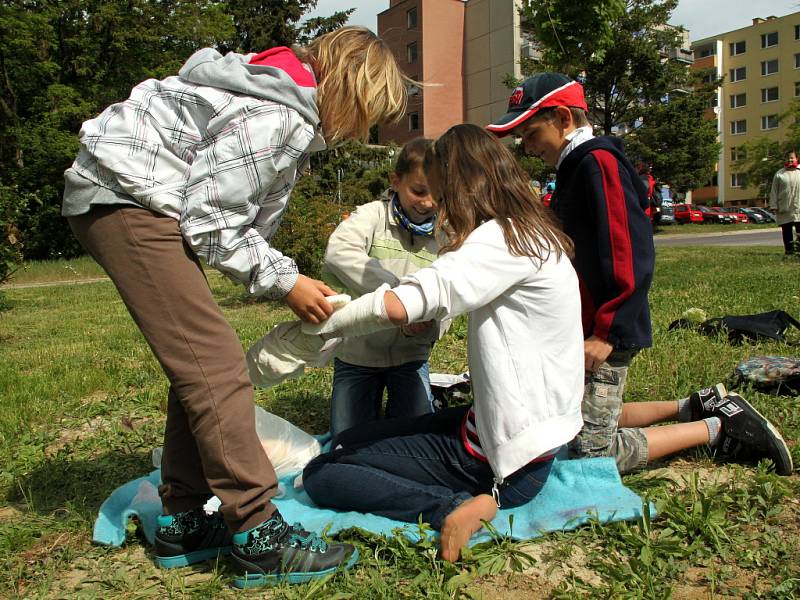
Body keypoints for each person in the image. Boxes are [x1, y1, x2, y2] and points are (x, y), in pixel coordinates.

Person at [62, 26, 409, 587]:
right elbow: (212, 222)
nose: (358, 130)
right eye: (366, 112)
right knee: (218, 367)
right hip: (125, 200)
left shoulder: (270, 96)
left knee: (198, 366)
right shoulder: (278, 115)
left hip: (130, 197)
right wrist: (288, 281)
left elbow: (235, 213)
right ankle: (258, 531)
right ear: (348, 89)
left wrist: (281, 278)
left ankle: (187, 519)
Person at [294, 123, 586, 562]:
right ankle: (470, 489)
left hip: (505, 463)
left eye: (442, 195)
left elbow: (401, 303)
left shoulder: (500, 240)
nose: (440, 209)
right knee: (350, 441)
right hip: (523, 440)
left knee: (324, 472)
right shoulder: (535, 233)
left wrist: (316, 332)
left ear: (459, 186)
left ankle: (456, 506)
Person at [487, 73, 793, 477]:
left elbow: (627, 247)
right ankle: (696, 406)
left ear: (562, 118)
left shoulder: (597, 163)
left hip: (605, 331)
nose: (526, 146)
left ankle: (718, 427)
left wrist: (607, 331)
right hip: (582, 328)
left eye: (530, 133)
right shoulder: (574, 167)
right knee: (574, 422)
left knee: (588, 457)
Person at [320, 138, 448, 436]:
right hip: (358, 355)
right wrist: (403, 297)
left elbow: (453, 289)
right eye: (418, 191)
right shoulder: (372, 216)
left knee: (415, 437)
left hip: (412, 356)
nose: (428, 203)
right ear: (396, 180)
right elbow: (339, 252)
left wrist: (430, 323)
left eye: (438, 196)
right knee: (347, 440)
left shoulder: (445, 232)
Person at [768, 151, 800, 256]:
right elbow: (774, 191)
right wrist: (773, 205)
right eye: (787, 158)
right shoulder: (779, 174)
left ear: (797, 158)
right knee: (786, 231)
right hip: (784, 206)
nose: (790, 160)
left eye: (792, 158)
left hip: (798, 206)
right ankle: (789, 251)